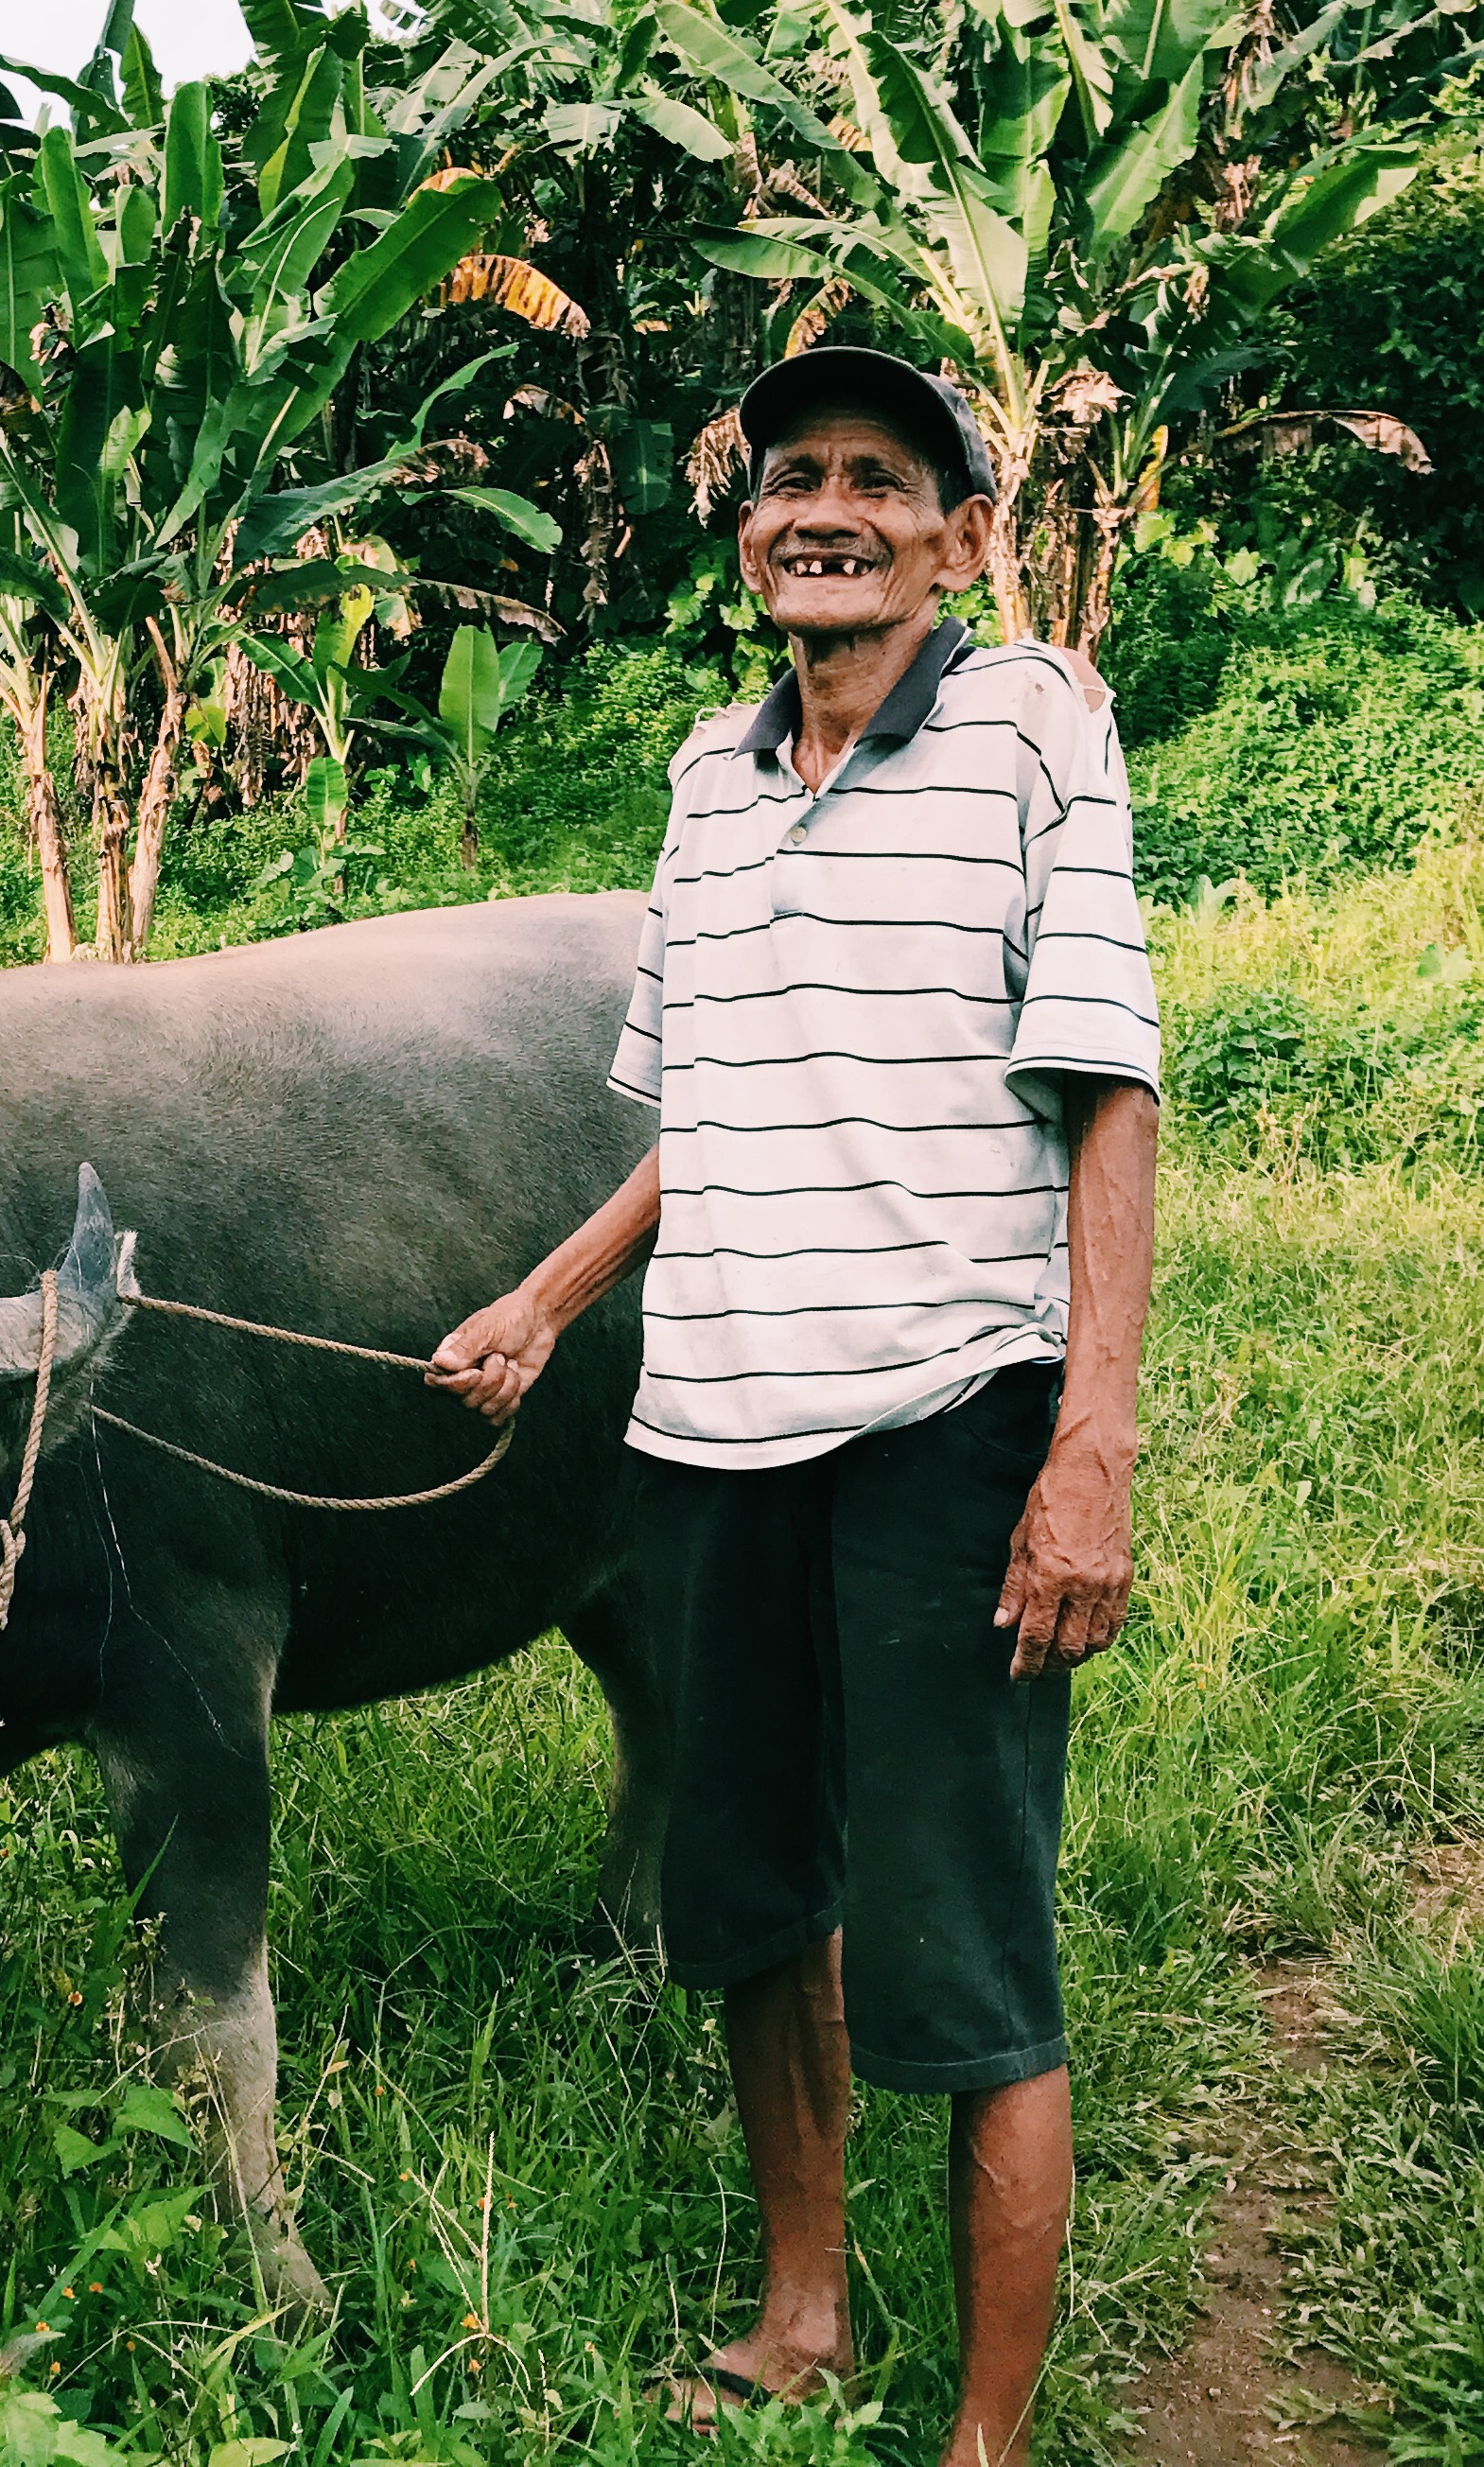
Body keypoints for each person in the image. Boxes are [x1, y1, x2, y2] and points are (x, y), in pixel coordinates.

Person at [428, 347, 1161, 2463]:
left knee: (968, 1947)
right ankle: (802, 2313)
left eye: (877, 479)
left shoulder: (1035, 721)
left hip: (946, 1419)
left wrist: (1087, 1445)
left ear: (957, 538)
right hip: (712, 1426)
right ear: (742, 533)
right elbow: (717, 1108)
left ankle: (987, 2436)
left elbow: (1106, 1090)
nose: (820, 506)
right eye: (786, 479)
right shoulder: (702, 777)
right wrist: (552, 1295)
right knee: (753, 1898)